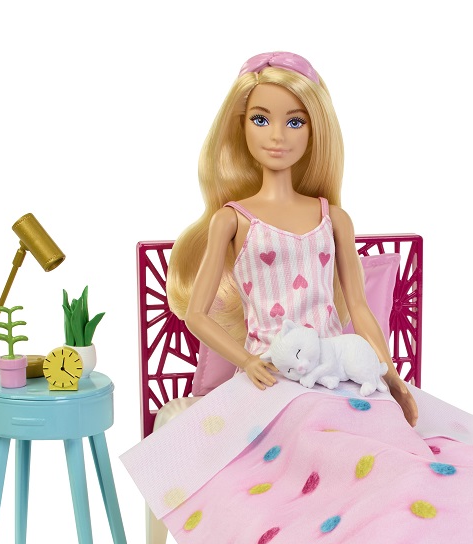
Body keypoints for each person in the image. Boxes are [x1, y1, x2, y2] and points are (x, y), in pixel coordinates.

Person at [166, 51, 418, 426]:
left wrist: (391, 374)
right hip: (271, 376)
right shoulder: (231, 220)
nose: (277, 136)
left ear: (314, 131)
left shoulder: (334, 219)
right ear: (241, 127)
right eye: (261, 119)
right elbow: (196, 316)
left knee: (364, 436)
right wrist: (248, 361)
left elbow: (359, 308)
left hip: (334, 375)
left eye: (295, 122)